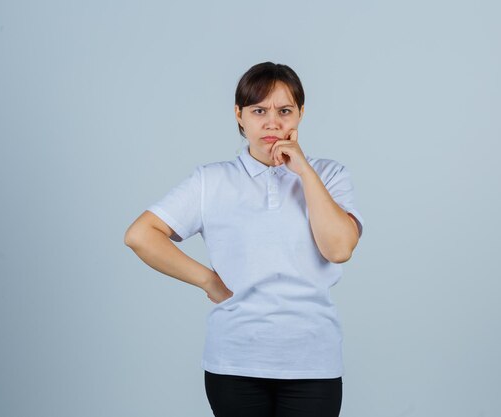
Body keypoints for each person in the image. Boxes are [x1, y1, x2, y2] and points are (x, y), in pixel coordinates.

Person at [124, 62, 365, 417]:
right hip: (234, 363)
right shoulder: (212, 180)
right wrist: (208, 280)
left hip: (312, 362)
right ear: (240, 115)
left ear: (300, 113)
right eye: (259, 110)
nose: (272, 122)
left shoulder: (330, 174)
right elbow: (140, 235)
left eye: (284, 111)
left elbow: (338, 248)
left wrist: (303, 170)